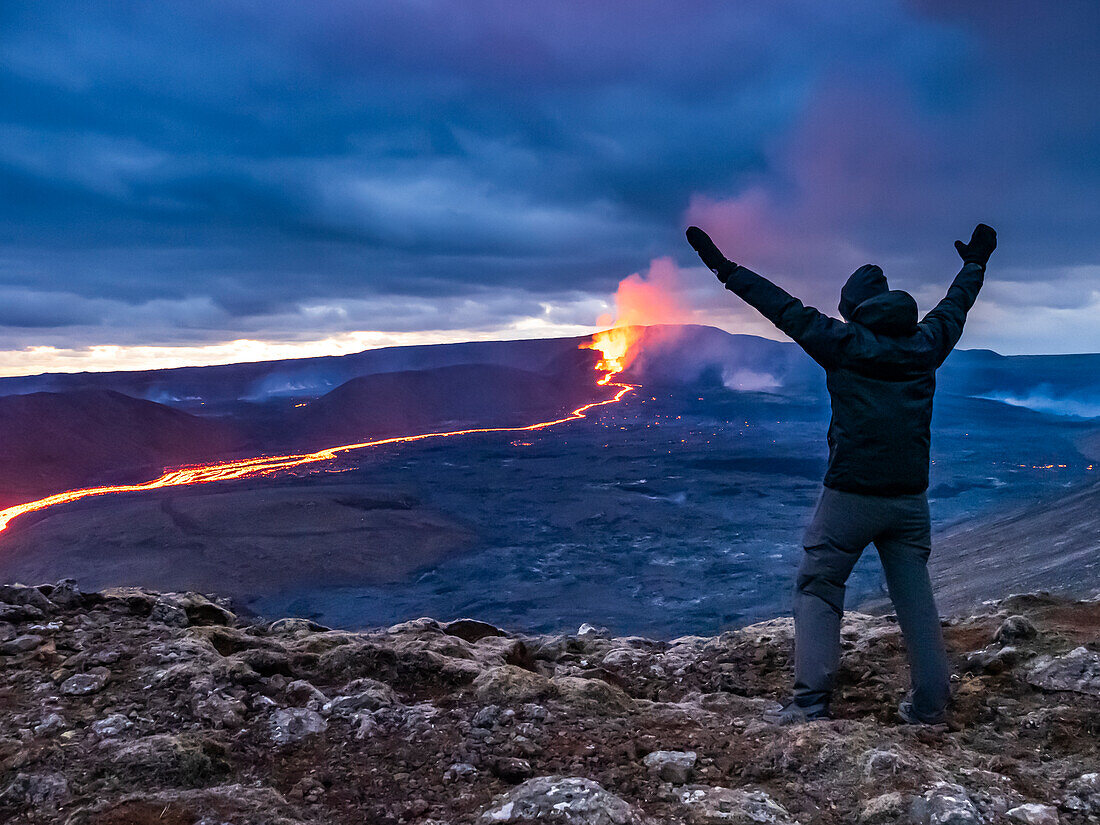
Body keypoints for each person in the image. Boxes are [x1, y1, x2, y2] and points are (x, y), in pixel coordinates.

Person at [685, 223, 997, 725]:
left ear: (851, 309)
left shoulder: (842, 342)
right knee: (915, 598)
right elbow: (956, 305)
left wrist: (724, 270)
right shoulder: (927, 342)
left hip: (850, 496)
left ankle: (810, 704)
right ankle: (932, 706)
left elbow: (781, 307)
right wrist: (975, 263)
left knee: (818, 585)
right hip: (910, 501)